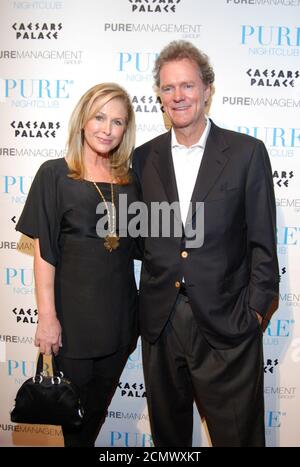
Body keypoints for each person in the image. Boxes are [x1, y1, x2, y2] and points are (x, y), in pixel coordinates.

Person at [133, 41, 279, 447]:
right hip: (161, 326)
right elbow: (136, 239)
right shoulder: (143, 159)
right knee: (169, 441)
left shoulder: (247, 154)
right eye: (168, 88)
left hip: (227, 326)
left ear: (207, 89)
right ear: (159, 97)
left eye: (187, 86)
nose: (178, 96)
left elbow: (263, 244)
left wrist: (253, 313)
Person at [16, 83, 139, 447]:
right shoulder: (54, 175)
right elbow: (45, 254)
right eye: (99, 117)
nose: (107, 128)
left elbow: (148, 248)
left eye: (117, 121)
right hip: (73, 327)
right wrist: (47, 319)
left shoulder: (131, 182)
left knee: (95, 419)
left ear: (125, 129)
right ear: (83, 119)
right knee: (74, 427)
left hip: (120, 325)